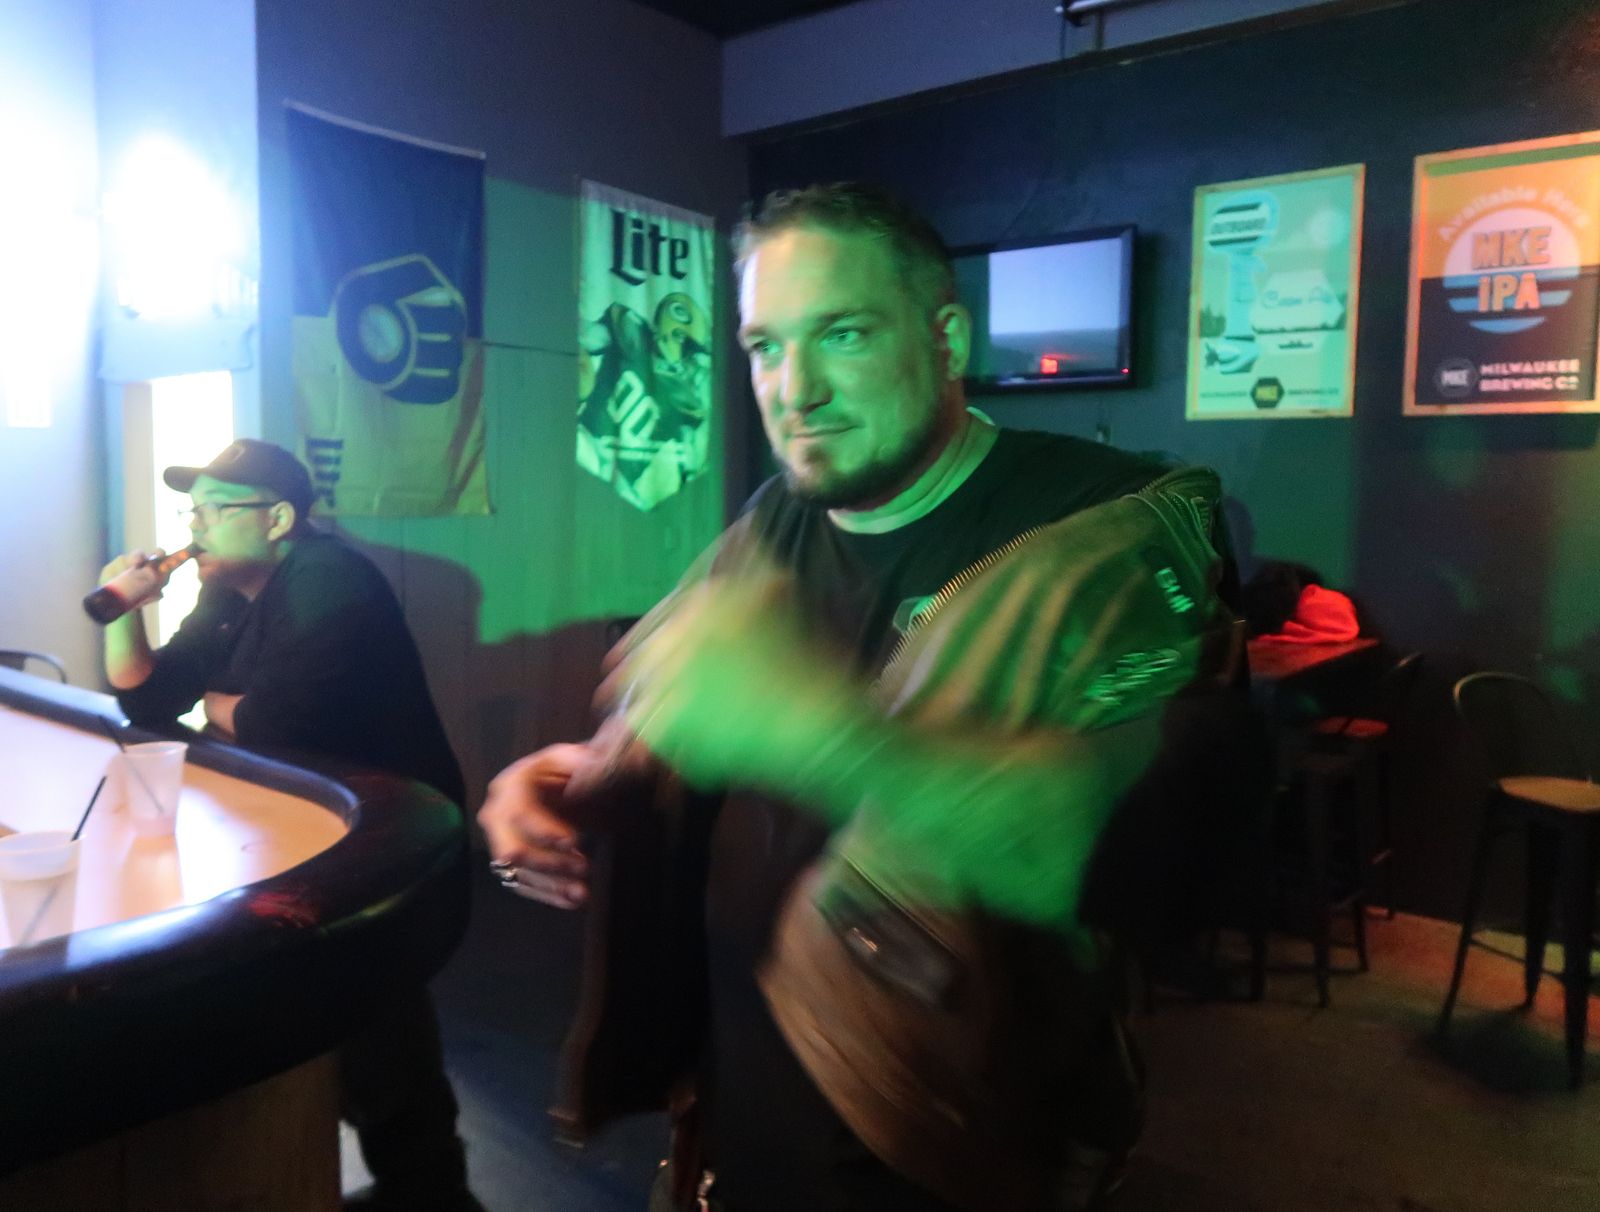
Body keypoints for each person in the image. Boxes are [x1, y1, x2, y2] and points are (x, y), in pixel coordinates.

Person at [480, 184, 1243, 1212]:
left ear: (945, 339)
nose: (795, 390)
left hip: (950, 1153)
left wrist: (822, 733)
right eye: (765, 346)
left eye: (842, 333)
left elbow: (1148, 860)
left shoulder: (1109, 527)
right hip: (733, 1121)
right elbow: (690, 728)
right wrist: (577, 781)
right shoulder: (776, 517)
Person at [100, 438, 480, 1212]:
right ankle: (408, 1183)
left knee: (378, 1016)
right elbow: (150, 698)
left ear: (277, 519)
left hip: (393, 836)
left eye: (213, 510)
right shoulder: (227, 592)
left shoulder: (329, 578)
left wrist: (220, 707)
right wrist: (123, 612)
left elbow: (278, 719)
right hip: (314, 829)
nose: (193, 527)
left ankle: (431, 1191)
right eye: (190, 512)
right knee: (343, 1015)